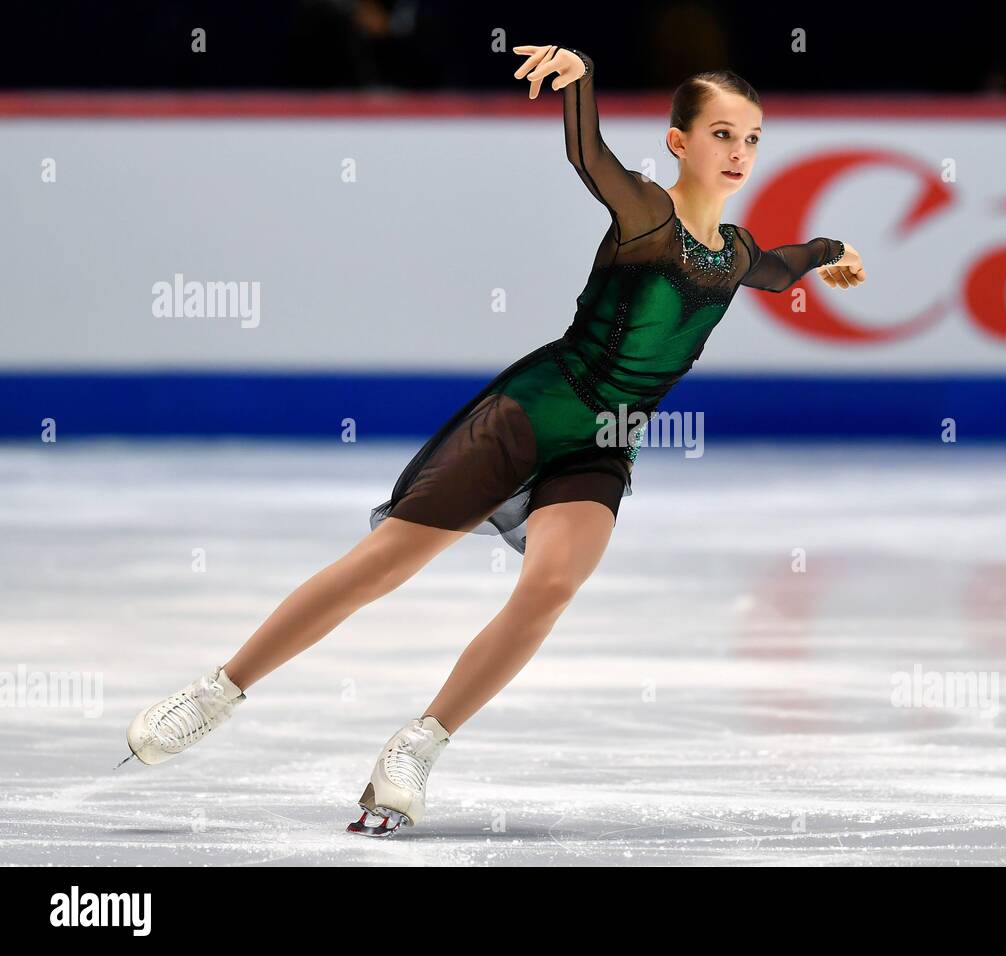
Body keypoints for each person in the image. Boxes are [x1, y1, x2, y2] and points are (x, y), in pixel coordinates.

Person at [119, 44, 866, 837]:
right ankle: (219, 691)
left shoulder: (736, 252)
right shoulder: (648, 213)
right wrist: (580, 75)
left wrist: (832, 254)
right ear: (680, 142)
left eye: (752, 140)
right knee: (384, 564)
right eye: (722, 135)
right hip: (533, 411)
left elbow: (779, 268)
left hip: (604, 442)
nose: (740, 154)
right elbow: (588, 155)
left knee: (549, 587)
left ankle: (416, 747)